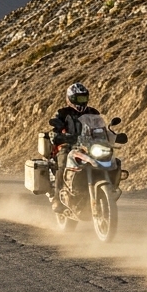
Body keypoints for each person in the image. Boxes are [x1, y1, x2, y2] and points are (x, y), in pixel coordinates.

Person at [45, 83, 100, 213]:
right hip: (67, 146)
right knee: (62, 161)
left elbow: (100, 127)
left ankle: (107, 188)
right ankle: (57, 198)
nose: (81, 102)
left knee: (108, 159)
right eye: (78, 99)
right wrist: (59, 134)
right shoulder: (62, 113)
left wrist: (110, 136)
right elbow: (55, 126)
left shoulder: (93, 112)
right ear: (70, 99)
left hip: (88, 147)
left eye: (83, 98)